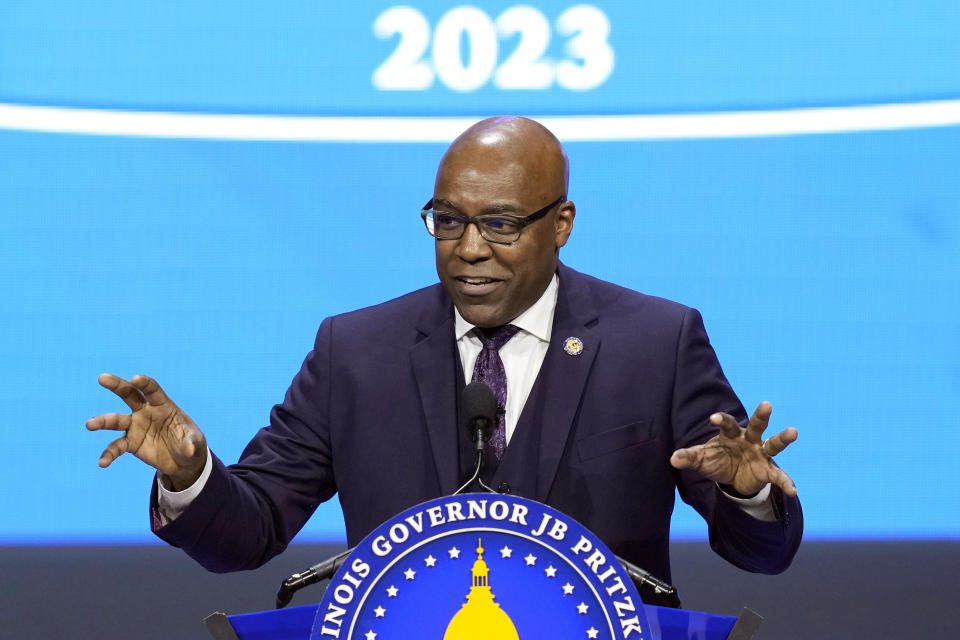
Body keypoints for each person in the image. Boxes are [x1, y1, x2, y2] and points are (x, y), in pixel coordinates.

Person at [87, 116, 801, 584]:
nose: (467, 250)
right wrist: (190, 476)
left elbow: (761, 553)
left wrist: (750, 492)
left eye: (499, 224)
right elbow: (248, 533)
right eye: (447, 221)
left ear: (562, 224)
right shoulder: (355, 352)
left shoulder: (658, 342)